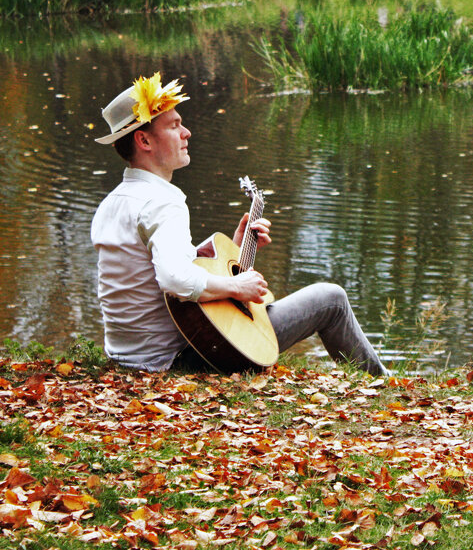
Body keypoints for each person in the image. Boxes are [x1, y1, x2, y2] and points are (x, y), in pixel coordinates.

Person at [90, 73, 387, 376]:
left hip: (128, 359)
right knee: (331, 299)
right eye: (174, 126)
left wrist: (234, 246)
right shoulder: (162, 203)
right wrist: (236, 285)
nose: (187, 133)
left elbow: (159, 270)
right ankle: (383, 385)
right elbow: (174, 280)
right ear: (143, 140)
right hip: (183, 358)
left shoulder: (113, 203)